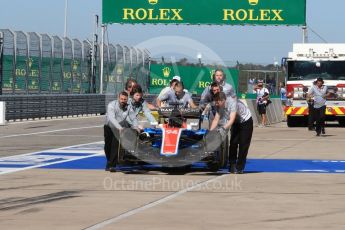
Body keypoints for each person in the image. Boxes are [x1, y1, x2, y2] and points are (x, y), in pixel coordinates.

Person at [210, 92, 253, 174]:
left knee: (243, 144)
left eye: (217, 101)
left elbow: (231, 120)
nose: (216, 103)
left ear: (223, 100)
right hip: (236, 122)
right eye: (215, 101)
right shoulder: (220, 106)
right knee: (233, 143)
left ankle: (240, 167)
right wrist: (210, 131)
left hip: (246, 121)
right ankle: (232, 165)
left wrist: (222, 128)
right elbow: (216, 119)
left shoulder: (233, 104)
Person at [104, 91, 139, 172]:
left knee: (115, 145)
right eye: (121, 99)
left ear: (127, 100)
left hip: (118, 128)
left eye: (125, 99)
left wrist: (136, 126)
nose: (123, 101)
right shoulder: (111, 105)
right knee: (107, 146)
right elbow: (112, 119)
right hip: (109, 126)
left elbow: (133, 118)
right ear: (118, 98)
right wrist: (120, 128)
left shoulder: (129, 107)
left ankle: (112, 165)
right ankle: (109, 161)